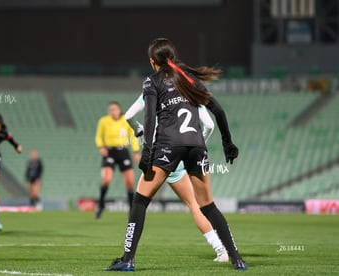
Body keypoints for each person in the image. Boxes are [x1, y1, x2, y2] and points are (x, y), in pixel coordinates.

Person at [106, 38, 246, 271]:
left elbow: (150, 118)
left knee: (140, 201)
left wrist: (148, 152)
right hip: (196, 146)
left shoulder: (152, 81)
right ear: (173, 57)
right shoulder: (189, 79)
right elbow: (218, 110)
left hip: (168, 146)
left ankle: (128, 259)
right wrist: (227, 143)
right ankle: (237, 258)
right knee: (208, 206)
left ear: (153, 61)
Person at [124, 95, 230, 263]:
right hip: (181, 153)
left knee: (139, 203)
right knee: (195, 206)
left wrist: (139, 130)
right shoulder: (189, 93)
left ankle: (127, 258)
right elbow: (209, 125)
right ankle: (221, 249)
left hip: (158, 155)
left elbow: (128, 116)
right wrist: (197, 142)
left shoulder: (153, 89)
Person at [94, 101, 140, 219]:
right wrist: (101, 147)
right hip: (109, 152)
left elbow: (133, 136)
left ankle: (131, 209)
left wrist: (135, 151)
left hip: (123, 152)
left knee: (130, 181)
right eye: (110, 109)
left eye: (115, 109)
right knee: (106, 179)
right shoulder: (104, 121)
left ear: (119, 110)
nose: (112, 111)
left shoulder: (126, 120)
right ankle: (101, 204)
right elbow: (99, 136)